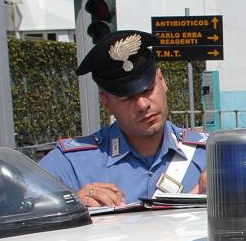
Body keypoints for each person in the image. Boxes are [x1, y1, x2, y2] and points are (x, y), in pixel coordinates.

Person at [39, 30, 206, 207]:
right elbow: (16, 207)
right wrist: (70, 203)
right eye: (126, 98)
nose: (142, 105)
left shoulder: (212, 155)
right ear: (106, 102)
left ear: (162, 80)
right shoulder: (73, 163)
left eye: (148, 90)